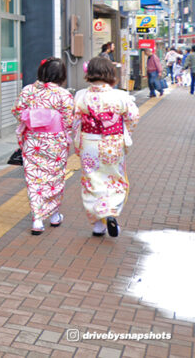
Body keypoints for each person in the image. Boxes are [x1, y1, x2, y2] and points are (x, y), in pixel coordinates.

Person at [74, 57, 140, 237]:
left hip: (89, 142)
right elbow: (133, 117)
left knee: (91, 180)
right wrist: (126, 133)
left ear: (89, 73)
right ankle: (110, 211)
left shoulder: (81, 95)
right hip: (113, 142)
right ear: (110, 73)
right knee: (114, 178)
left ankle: (98, 225)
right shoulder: (120, 96)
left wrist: (77, 143)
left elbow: (75, 121)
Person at [12, 58, 75, 235]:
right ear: (61, 75)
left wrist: (34, 118)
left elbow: (17, 111)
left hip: (33, 141)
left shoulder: (28, 90)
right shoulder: (64, 95)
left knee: (34, 180)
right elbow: (69, 121)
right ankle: (54, 215)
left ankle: (37, 220)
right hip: (55, 142)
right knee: (55, 179)